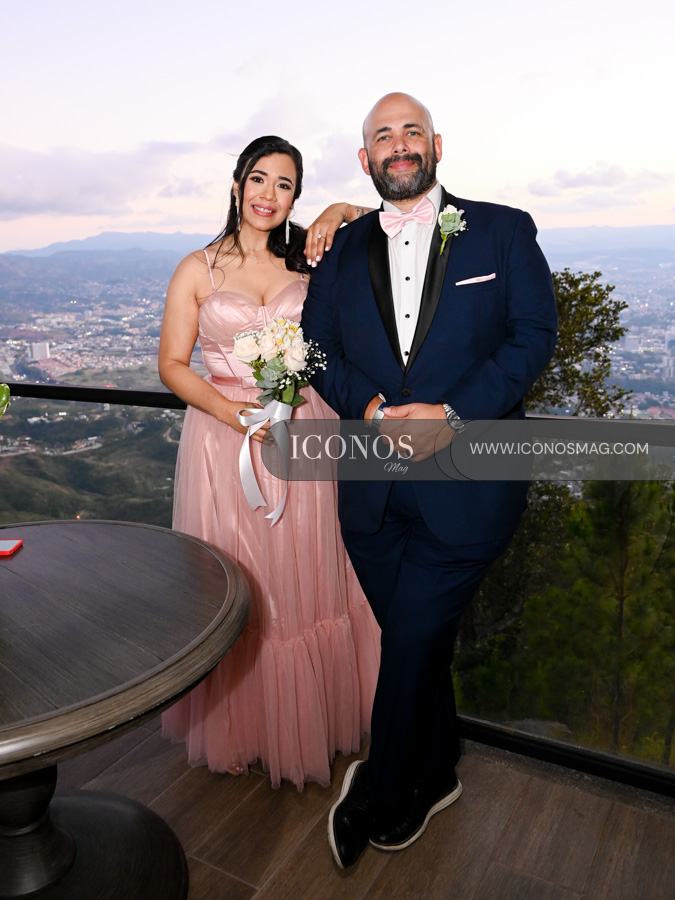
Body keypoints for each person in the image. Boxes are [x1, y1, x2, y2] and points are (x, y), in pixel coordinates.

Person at [301, 93, 557, 866]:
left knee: (410, 638)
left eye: (411, 130)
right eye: (383, 135)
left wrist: (451, 414)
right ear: (365, 158)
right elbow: (314, 348)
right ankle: (439, 767)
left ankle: (381, 789)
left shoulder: (503, 230)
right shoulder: (341, 247)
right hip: (370, 500)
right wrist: (367, 407)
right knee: (417, 644)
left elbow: (531, 337)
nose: (399, 144)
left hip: (469, 490)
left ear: (436, 144)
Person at [158, 135, 380, 790]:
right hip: (225, 441)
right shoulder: (196, 268)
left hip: (306, 431)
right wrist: (235, 416)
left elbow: (392, 228)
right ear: (236, 185)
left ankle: (316, 717)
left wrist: (341, 211)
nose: (268, 194)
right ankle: (242, 726)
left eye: (285, 184)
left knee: (308, 578)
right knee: (244, 585)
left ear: (295, 198)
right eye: (259, 179)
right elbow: (171, 365)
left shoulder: (310, 259)